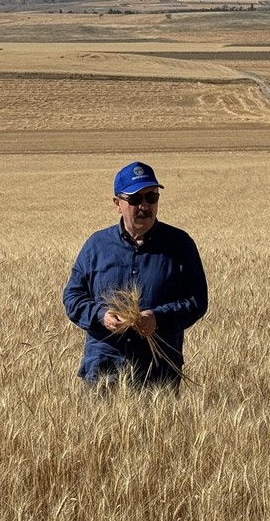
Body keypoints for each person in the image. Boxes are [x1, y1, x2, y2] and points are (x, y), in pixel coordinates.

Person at [63, 160, 208, 388]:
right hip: (104, 371)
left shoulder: (180, 245)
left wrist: (158, 318)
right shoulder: (96, 246)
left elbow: (196, 300)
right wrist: (101, 315)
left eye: (151, 197)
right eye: (135, 199)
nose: (144, 206)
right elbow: (73, 297)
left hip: (159, 374)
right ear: (117, 204)